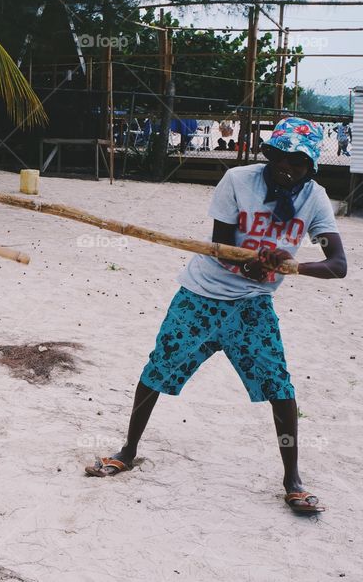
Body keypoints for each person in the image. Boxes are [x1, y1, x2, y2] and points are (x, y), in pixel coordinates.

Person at [83, 117, 346, 515]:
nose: (287, 168)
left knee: (279, 387)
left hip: (253, 307)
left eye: (298, 162)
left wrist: (292, 265)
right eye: (281, 158)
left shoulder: (315, 199)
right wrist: (250, 268)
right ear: (270, 155)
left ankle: (292, 480)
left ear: (310, 166)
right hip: (200, 296)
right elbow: (221, 246)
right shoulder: (239, 180)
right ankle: (127, 450)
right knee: (158, 372)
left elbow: (338, 264)